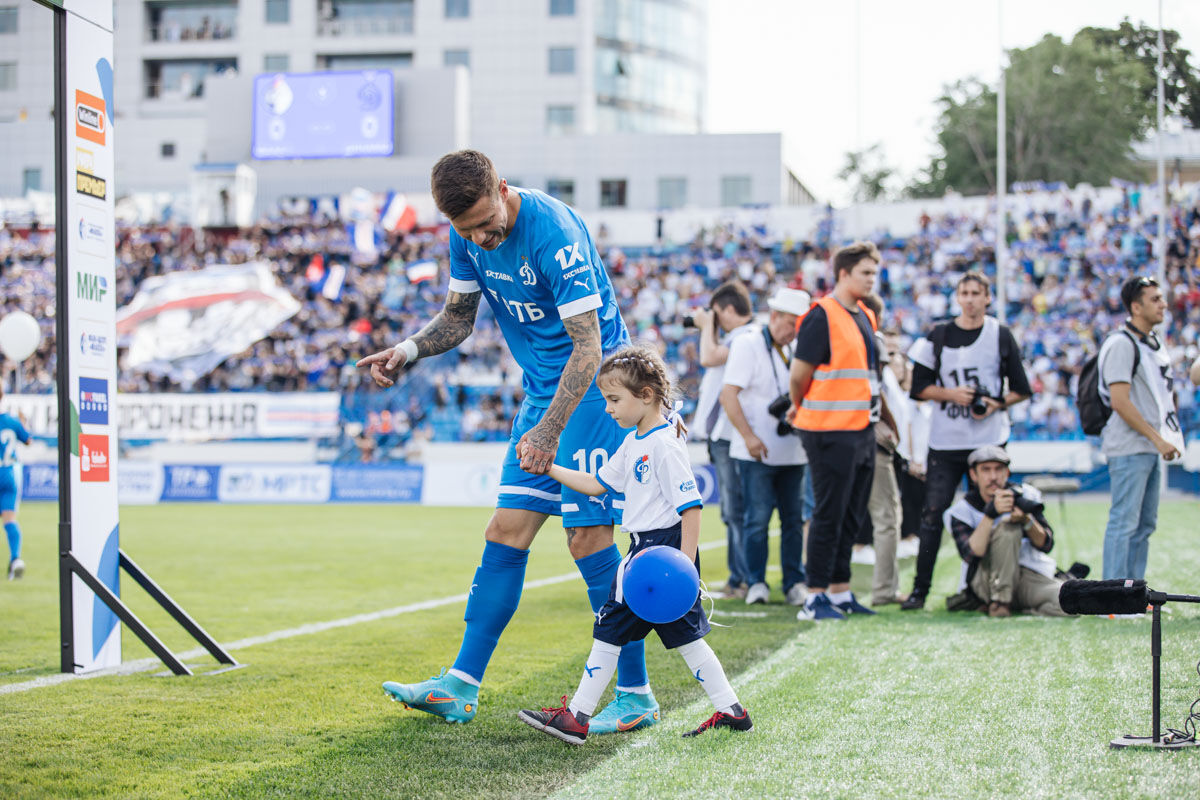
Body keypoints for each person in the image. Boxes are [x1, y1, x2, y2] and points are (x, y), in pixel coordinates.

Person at [358, 150, 658, 733]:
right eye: (465, 229)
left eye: (484, 222)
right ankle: (460, 686)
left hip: (599, 392)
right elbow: (458, 319)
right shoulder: (465, 236)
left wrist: (547, 431)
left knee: (587, 537)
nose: (479, 237)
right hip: (542, 394)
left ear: (500, 187)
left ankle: (635, 693)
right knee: (506, 530)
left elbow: (589, 347)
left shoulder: (555, 233)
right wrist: (408, 350)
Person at [517, 346, 752, 743]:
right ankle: (732, 710)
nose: (608, 409)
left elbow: (691, 508)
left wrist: (686, 568)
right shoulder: (635, 441)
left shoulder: (662, 444)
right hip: (649, 554)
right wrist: (548, 466)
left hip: (660, 557)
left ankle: (576, 719)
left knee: (608, 629)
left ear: (645, 395)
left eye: (614, 399)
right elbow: (596, 485)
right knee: (687, 639)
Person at [900, 271, 1032, 610]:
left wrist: (995, 403)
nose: (970, 299)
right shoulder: (938, 335)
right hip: (946, 441)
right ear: (957, 297)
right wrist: (951, 394)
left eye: (977, 293)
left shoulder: (1000, 335)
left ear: (988, 298)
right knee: (932, 515)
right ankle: (920, 590)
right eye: (965, 293)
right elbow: (918, 387)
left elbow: (1021, 389)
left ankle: (994, 588)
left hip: (988, 441)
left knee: (997, 513)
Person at [789, 242, 886, 621]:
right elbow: (799, 376)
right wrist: (802, 406)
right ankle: (815, 596)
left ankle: (840, 591)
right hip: (827, 429)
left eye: (874, 274)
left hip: (861, 427)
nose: (871, 280)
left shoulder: (864, 315)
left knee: (852, 513)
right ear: (843, 274)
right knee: (829, 513)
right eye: (865, 273)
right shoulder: (821, 315)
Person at [719, 287, 811, 606]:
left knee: (793, 520)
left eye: (798, 325)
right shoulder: (748, 343)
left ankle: (793, 582)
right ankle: (756, 581)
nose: (792, 332)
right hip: (755, 450)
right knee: (756, 520)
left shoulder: (800, 345)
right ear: (773, 317)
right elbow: (728, 394)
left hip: (793, 450)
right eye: (789, 324)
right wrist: (748, 437)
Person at [1098, 276, 1182, 581]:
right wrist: (1158, 439)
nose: (1163, 304)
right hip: (1130, 446)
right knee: (1124, 522)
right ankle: (1113, 598)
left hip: (1146, 445)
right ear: (1136, 306)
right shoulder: (1122, 344)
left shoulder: (1151, 343)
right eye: (1155, 299)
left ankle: (1132, 595)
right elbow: (1119, 401)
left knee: (1145, 524)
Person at [689, 281, 757, 600]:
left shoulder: (746, 336)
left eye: (716, 314)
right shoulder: (740, 337)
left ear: (728, 310)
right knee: (733, 509)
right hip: (723, 436)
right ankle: (741, 577)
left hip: (730, 437)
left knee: (735, 509)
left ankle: (741, 579)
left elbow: (708, 357)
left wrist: (706, 326)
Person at [944, 445, 1066, 617]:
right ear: (973, 475)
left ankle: (1022, 608)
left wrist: (1026, 520)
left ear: (1007, 472)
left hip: (1026, 574)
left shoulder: (1026, 495)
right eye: (986, 470)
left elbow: (1046, 544)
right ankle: (1000, 601)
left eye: (998, 469)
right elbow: (971, 554)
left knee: (1068, 603)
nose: (993, 477)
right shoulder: (961, 511)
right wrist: (990, 515)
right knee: (1008, 527)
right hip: (986, 579)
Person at [860, 295, 904, 606]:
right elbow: (876, 392)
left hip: (841, 436)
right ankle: (884, 589)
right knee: (887, 517)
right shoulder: (871, 338)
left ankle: (826, 589)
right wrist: (892, 424)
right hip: (870, 436)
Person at [0, 396, 30, 580]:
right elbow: (28, 440)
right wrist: (23, 423)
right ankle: (16, 559)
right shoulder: (12, 421)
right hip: (9, 474)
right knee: (10, 518)